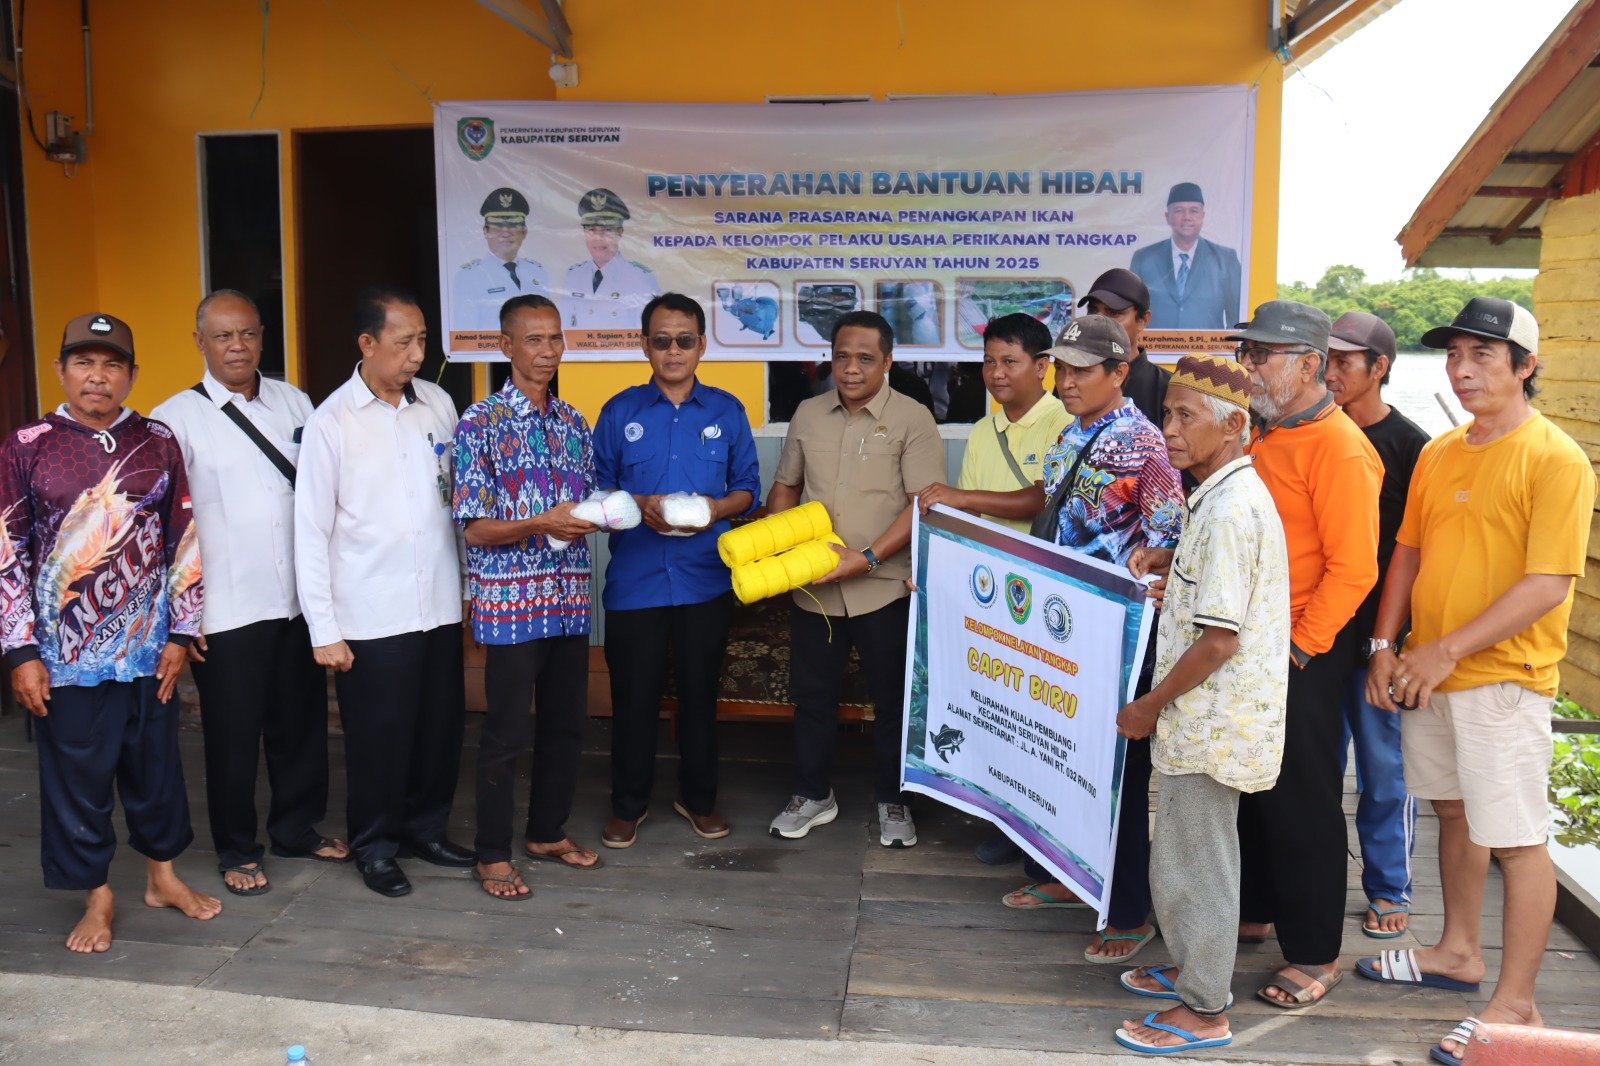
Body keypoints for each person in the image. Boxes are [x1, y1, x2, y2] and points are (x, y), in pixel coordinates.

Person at [1359, 298, 1596, 1064]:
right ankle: (1457, 951)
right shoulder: (1440, 452)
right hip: (1431, 673)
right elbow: (1408, 552)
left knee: (1518, 841)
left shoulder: (1555, 458)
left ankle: (1516, 1004)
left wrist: (1444, 651)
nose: (1462, 370)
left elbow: (1548, 584)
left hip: (1504, 680)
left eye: (1483, 355)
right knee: (1453, 813)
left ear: (1526, 366)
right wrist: (1385, 645)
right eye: (1455, 355)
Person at [1, 312, 219, 952]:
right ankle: (97, 897)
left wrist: (181, 632)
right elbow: (7, 552)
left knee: (156, 770)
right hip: (64, 657)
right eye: (84, 363)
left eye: (112, 364)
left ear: (131, 374)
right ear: (61, 370)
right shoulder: (28, 445)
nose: (98, 377)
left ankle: (162, 878)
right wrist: (20, 650)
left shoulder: (157, 440)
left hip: (147, 650)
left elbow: (183, 537)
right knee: (78, 780)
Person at [1113, 354, 1290, 1056]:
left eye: (1186, 416)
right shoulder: (1215, 496)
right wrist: (1173, 572)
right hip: (1207, 718)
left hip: (1213, 721)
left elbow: (1219, 641)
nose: (1170, 429)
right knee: (1184, 855)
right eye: (1167, 413)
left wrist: (1148, 706)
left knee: (1200, 862)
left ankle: (1206, 1006)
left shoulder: (1231, 510)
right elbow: (1214, 605)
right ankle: (1193, 968)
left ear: (1235, 426)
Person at [150, 291, 348, 898]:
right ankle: (237, 847)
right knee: (233, 736)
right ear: (200, 342)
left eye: (247, 334)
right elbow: (160, 526)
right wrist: (181, 617)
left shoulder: (295, 402)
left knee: (301, 724)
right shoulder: (173, 419)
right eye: (222, 336)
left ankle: (295, 828)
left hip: (295, 601)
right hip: (226, 609)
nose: (236, 346)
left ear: (262, 336)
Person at [1004, 315, 1183, 965]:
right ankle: (1067, 875)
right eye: (1063, 368)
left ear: (1119, 372)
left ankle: (1130, 910)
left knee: (1119, 775)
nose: (1067, 380)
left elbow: (1172, 540)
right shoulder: (1070, 433)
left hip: (1117, 636)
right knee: (1060, 754)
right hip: (1063, 627)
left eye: (1082, 370)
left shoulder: (1145, 445)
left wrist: (1152, 575)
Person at [294, 287, 474, 899]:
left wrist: (468, 589)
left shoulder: (438, 405)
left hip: (439, 604)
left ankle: (426, 830)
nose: (417, 354)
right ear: (367, 344)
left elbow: (456, 506)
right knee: (379, 739)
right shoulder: (333, 421)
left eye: (422, 340)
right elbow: (311, 530)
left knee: (438, 730)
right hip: (371, 612)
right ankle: (374, 847)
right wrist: (324, 629)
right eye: (404, 342)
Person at [1229, 299, 1381, 1008]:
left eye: (1262, 354)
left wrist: (1298, 647)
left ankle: (1316, 952)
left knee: (1303, 799)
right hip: (1251, 642)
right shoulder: (1265, 431)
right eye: (1248, 352)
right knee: (1250, 785)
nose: (1249, 365)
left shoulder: (1340, 447)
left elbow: (1354, 569)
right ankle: (1256, 908)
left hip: (1302, 649)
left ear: (1310, 364)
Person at [766, 310, 945, 847]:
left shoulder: (913, 418)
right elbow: (785, 487)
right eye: (842, 356)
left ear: (887, 362)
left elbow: (922, 506)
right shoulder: (808, 413)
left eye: (865, 358)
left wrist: (865, 558)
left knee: (892, 702)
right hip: (815, 588)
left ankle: (894, 799)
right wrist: (782, 547)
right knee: (812, 697)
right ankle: (812, 793)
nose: (851, 368)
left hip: (883, 586)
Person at [593, 293, 761, 849]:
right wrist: (635, 503)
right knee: (633, 699)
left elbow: (748, 488)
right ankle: (628, 805)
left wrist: (715, 509)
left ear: (701, 345)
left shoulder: (726, 411)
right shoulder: (619, 412)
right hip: (635, 582)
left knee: (699, 696)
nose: (673, 351)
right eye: (661, 340)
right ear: (645, 345)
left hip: (704, 578)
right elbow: (597, 490)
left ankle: (699, 799)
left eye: (684, 340)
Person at [453, 293, 604, 899]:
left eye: (555, 338)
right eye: (534, 340)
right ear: (506, 346)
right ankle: (492, 853)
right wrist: (542, 522)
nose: (547, 351)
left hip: (568, 599)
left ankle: (546, 832)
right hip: (512, 604)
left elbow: (587, 504)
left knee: (567, 725)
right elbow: (473, 528)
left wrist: (607, 514)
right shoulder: (479, 423)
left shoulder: (573, 423)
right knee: (507, 731)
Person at [1323, 310, 1428, 938]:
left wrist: (1394, 641)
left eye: (1343, 361)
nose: (1330, 372)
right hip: (1316, 636)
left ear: (1379, 367)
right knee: (1312, 770)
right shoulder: (1315, 432)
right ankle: (1310, 887)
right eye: (1324, 360)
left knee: (1385, 773)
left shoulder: (1413, 447)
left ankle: (1389, 887)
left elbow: (1418, 554)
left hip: (1379, 642)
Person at [914, 312, 1068, 534]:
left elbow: (1044, 498)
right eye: (989, 362)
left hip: (1039, 556)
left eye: (1009, 362)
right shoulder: (982, 430)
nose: (996, 373)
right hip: (986, 556)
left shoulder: (1063, 420)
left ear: (1041, 367)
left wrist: (963, 497)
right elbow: (970, 512)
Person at [1128, 183, 1242, 330]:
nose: (1187, 217)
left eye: (1194, 211)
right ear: (1167, 217)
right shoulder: (1144, 258)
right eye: (1179, 211)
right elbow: (1131, 311)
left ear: (1202, 216)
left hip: (1208, 345)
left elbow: (1236, 315)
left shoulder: (1225, 260)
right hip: (1154, 345)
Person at [451, 187, 551, 333]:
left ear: (524, 231)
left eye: (513, 225)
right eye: (497, 226)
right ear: (485, 231)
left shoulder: (537, 273)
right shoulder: (469, 277)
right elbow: (465, 335)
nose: (505, 233)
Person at [562, 188, 660, 332]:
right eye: (592, 229)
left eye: (607, 229)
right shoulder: (574, 275)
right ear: (584, 232)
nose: (598, 237)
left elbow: (649, 333)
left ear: (620, 232)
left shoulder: (640, 278)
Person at [1078, 268, 1166, 425]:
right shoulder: (1072, 379)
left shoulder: (1166, 388)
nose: (1099, 320)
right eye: (1093, 310)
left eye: (1113, 313)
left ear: (1143, 320)